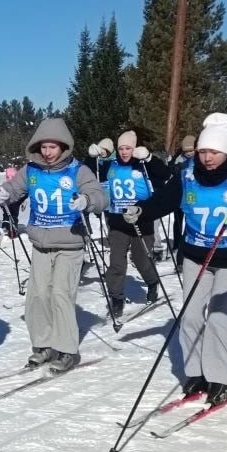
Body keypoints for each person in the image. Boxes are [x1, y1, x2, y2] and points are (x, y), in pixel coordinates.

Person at [125, 113, 227, 406]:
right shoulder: (187, 173)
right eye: (203, 151)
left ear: (226, 151)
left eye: (214, 152)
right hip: (196, 254)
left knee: (220, 317)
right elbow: (165, 199)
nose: (207, 158)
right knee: (190, 314)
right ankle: (196, 372)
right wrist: (142, 210)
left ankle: (221, 377)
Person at [0, 117, 107, 373]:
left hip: (70, 243)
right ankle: (43, 345)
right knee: (38, 295)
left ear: (63, 146)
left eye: (52, 147)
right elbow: (12, 188)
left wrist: (87, 201)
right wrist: (1, 195)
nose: (47, 152)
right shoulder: (31, 169)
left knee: (61, 294)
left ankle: (67, 349)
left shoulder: (78, 170)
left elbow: (101, 196)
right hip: (41, 243)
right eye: (43, 147)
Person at [99, 130, 169, 316]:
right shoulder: (111, 165)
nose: (124, 152)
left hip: (141, 220)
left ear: (134, 148)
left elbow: (164, 174)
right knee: (116, 263)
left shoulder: (142, 165)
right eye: (121, 148)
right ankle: (116, 297)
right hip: (117, 222)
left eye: (128, 148)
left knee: (141, 260)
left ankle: (152, 282)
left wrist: (149, 158)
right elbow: (94, 173)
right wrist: (95, 155)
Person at [171, 134, 196, 271]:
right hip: (181, 196)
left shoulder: (200, 160)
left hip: (194, 198)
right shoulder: (179, 159)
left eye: (191, 150)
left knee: (190, 226)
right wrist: (174, 169)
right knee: (178, 222)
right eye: (186, 151)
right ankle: (178, 248)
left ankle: (186, 255)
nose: (189, 153)